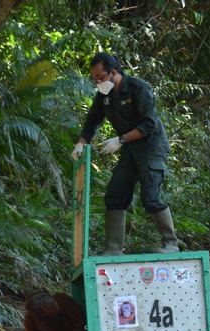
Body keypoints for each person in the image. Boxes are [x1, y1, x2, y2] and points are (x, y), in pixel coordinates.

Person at [72, 52, 179, 255]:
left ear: (113, 72)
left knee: (150, 197)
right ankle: (113, 249)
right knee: (115, 196)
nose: (97, 82)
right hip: (129, 150)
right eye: (94, 79)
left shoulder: (138, 88)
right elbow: (92, 121)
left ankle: (170, 244)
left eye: (100, 77)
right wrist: (81, 143)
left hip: (151, 147)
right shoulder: (104, 95)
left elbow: (149, 123)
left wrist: (120, 140)